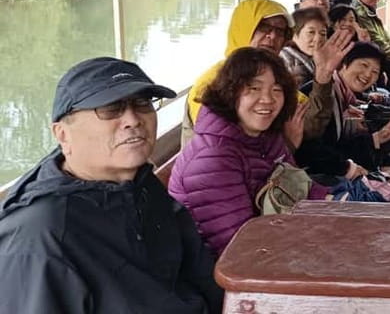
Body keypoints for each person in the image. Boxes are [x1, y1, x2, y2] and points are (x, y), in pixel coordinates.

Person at [0, 57, 223, 313]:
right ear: (62, 134)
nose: (133, 119)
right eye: (110, 108)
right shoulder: (38, 238)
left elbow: (198, 271)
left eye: (142, 103)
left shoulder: (141, 184)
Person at [170, 48, 331, 256]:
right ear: (229, 92)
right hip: (229, 274)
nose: (267, 99)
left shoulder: (266, 136)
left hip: (274, 240)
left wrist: (336, 204)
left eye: (276, 89)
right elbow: (240, 247)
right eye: (254, 88)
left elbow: (298, 186)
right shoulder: (213, 158)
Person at [184, 0, 352, 146]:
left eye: (279, 31)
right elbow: (223, 151)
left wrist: (323, 75)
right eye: (264, 27)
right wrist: (287, 146)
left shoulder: (277, 79)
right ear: (243, 28)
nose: (272, 36)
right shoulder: (211, 83)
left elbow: (309, 126)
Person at [295, 42, 390, 177]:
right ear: (344, 64)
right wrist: (348, 169)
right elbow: (314, 152)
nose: (367, 75)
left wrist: (377, 138)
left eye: (375, 72)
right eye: (364, 65)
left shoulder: (344, 93)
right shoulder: (318, 93)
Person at [280, 7, 330, 88]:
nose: (318, 39)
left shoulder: (317, 60)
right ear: (294, 34)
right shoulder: (286, 60)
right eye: (311, 32)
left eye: (323, 33)